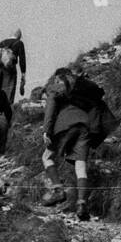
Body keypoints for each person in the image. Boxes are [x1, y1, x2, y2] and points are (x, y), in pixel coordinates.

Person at [40, 67, 101, 221]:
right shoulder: (79, 89)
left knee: (47, 157)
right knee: (81, 167)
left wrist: (46, 130)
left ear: (59, 78)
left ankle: (58, 190)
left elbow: (51, 107)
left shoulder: (56, 87)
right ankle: (81, 204)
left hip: (65, 125)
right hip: (84, 126)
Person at [0, 28, 27, 104]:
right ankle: (6, 114)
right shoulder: (19, 43)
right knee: (8, 95)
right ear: (19, 36)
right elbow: (22, 59)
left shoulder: (2, 43)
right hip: (9, 70)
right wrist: (23, 74)